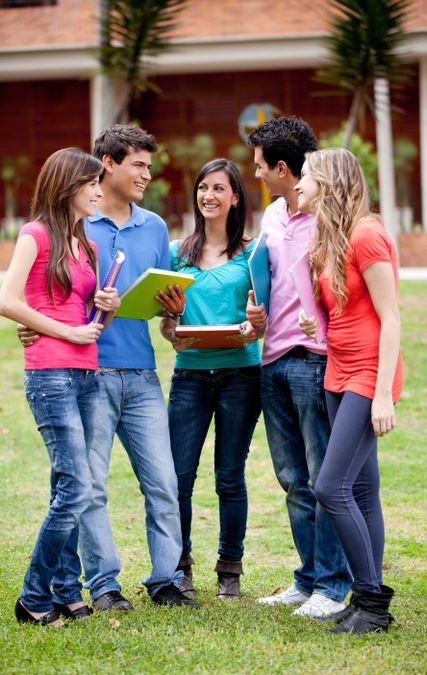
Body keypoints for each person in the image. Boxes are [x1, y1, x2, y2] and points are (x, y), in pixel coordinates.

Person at [18, 124, 198, 610]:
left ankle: (165, 579)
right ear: (108, 164)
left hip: (141, 372)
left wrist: (170, 307)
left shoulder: (156, 227)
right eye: (138, 164)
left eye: (149, 164)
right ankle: (104, 586)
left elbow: (163, 314)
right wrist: (33, 326)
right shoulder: (77, 220)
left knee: (163, 481)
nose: (147, 174)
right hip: (88, 373)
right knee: (89, 486)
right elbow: (50, 293)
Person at [0, 147, 120, 627]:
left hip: (87, 372)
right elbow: (7, 300)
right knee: (76, 487)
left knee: (67, 484)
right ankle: (33, 597)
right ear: (69, 185)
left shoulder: (85, 243)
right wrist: (64, 331)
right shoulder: (35, 235)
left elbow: (89, 319)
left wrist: (105, 305)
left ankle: (68, 591)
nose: (98, 191)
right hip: (50, 374)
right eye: (93, 183)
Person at [246, 116, 352, 618]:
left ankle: (332, 587)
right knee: (291, 477)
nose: (257, 174)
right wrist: (255, 309)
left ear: (282, 167)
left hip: (314, 360)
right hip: (272, 358)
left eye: (260, 166)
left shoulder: (330, 217)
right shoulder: (270, 218)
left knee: (321, 475)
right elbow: (267, 280)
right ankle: (308, 578)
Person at [297, 148, 402, 634]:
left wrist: (383, 395)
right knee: (361, 490)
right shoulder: (333, 238)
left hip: (366, 377)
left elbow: (391, 318)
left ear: (329, 181)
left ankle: (371, 604)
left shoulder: (367, 233)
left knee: (329, 486)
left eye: (306, 177)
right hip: (338, 374)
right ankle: (366, 601)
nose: (300, 185)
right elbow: (341, 312)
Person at [158, 159, 262, 599]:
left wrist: (254, 327)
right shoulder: (177, 253)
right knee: (178, 477)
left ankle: (229, 569)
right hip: (191, 376)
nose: (209, 196)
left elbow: (263, 318)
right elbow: (167, 323)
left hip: (242, 373)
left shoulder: (252, 254)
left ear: (235, 196)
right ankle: (181, 567)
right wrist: (174, 332)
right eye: (203, 187)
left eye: (219, 188)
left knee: (229, 476)